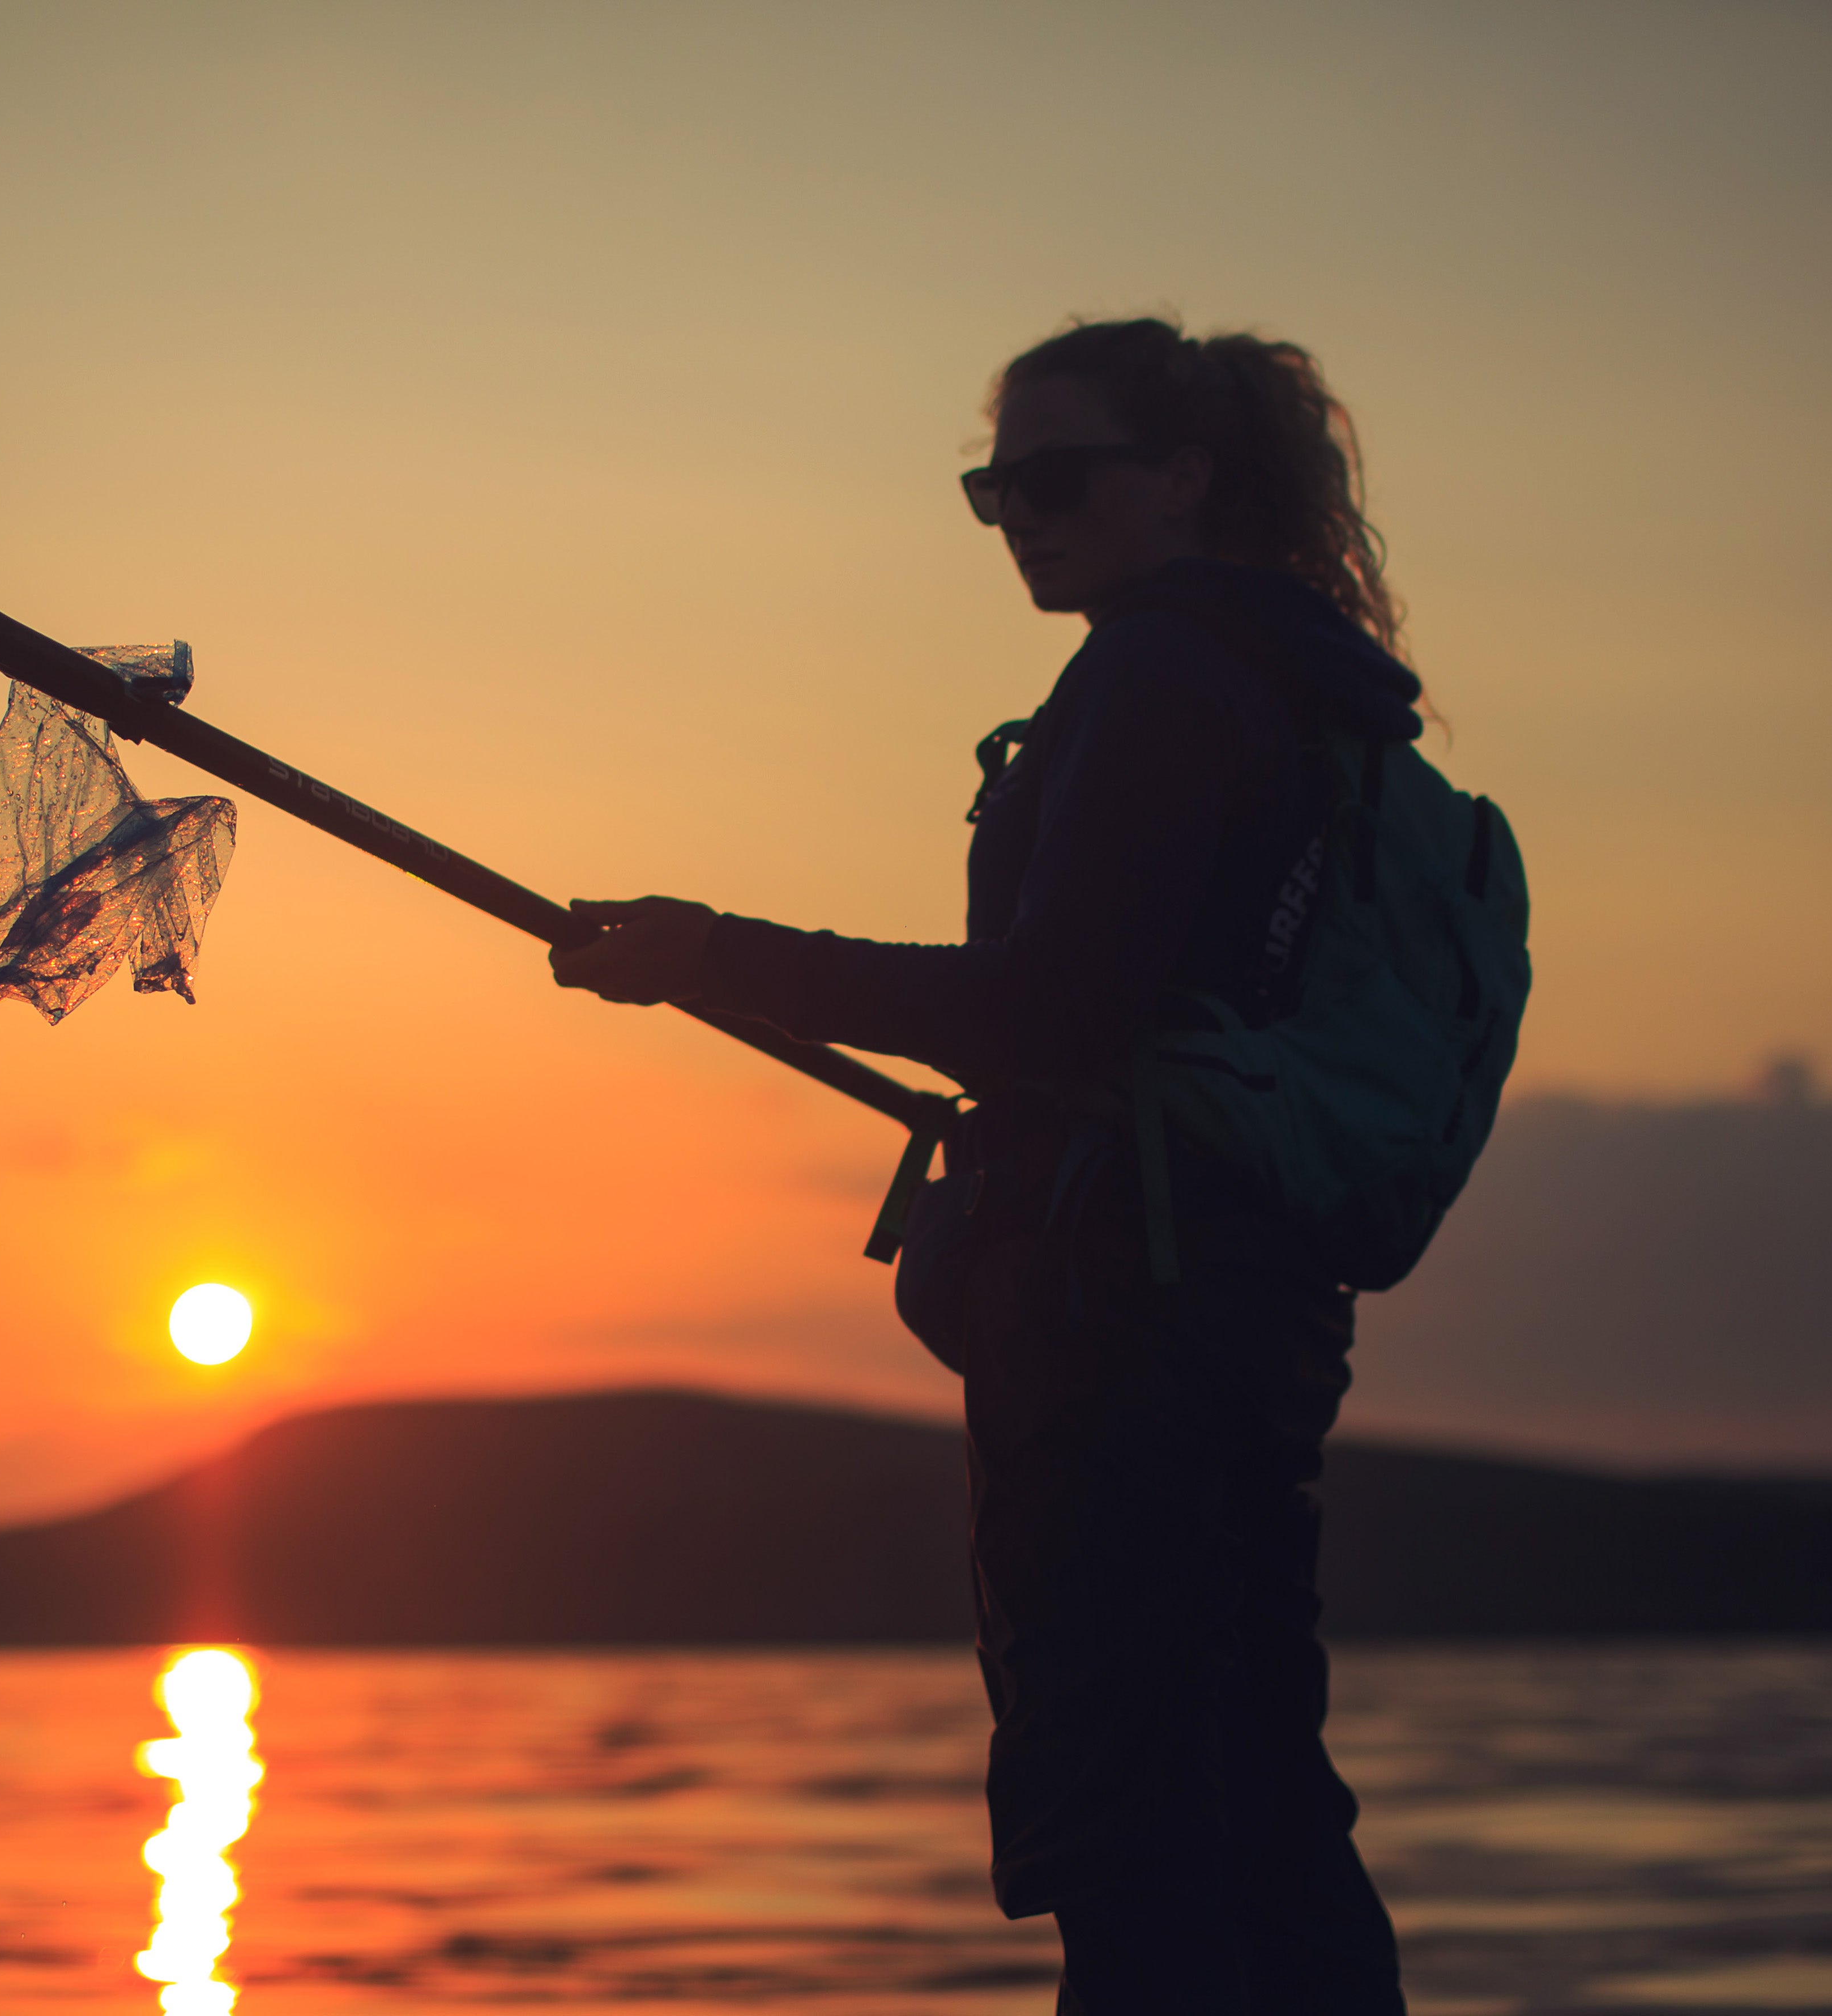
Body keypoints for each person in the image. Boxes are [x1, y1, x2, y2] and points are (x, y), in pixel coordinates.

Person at [552, 316, 1419, 2014]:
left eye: (1057, 474)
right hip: (1231, 1304)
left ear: (1182, 479)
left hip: (1133, 1337)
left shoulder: (1167, 673)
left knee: (1136, 1828)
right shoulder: (1286, 679)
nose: (1021, 511)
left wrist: (705, 951)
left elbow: (1053, 1009)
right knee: (1256, 1815)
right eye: (992, 485)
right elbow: (1131, 1011)